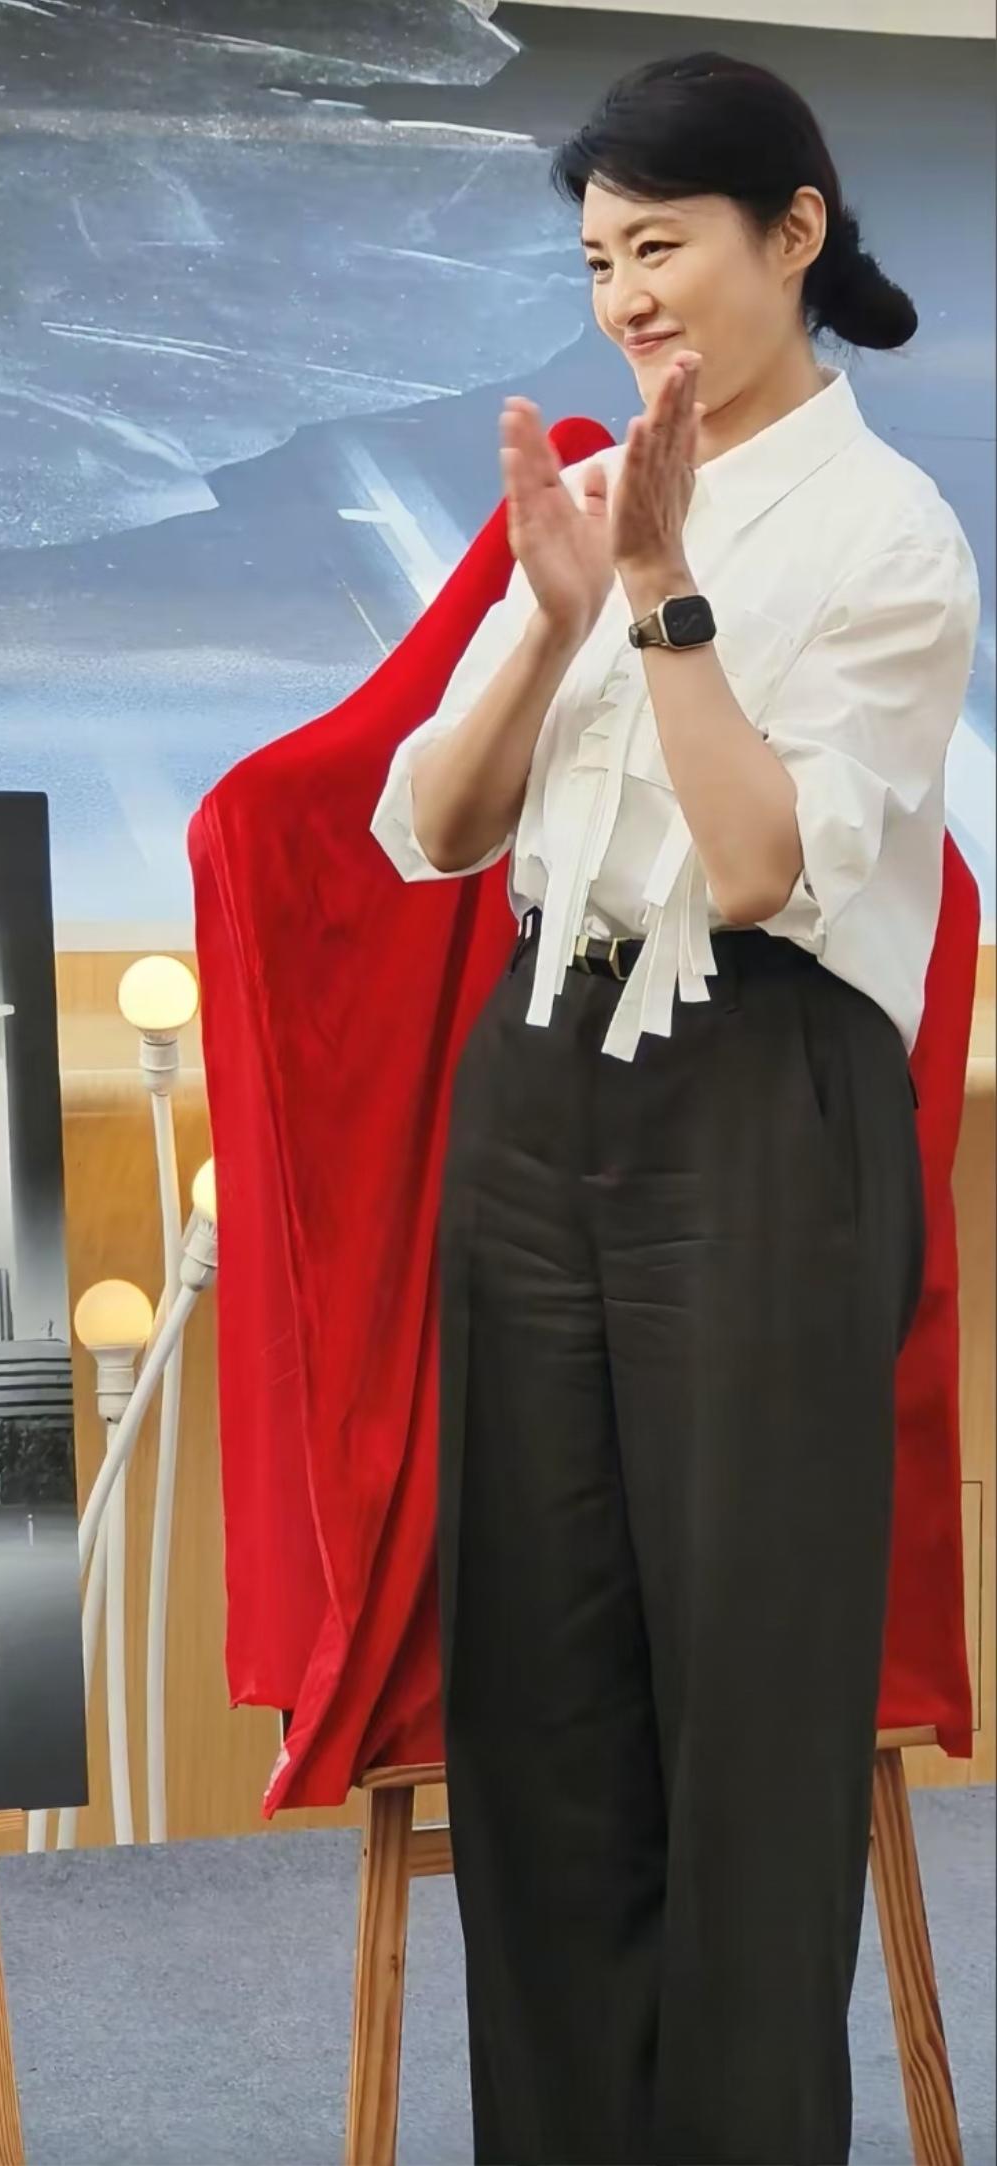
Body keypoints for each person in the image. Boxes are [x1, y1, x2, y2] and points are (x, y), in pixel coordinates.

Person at [371, 50, 978, 2166]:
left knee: (747, 1713)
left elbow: (758, 863)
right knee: (537, 1701)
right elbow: (436, 831)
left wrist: (659, 599)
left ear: (792, 232)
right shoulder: (584, 505)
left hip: (767, 1100)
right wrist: (552, 617)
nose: (625, 294)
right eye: (598, 257)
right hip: (540, 1092)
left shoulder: (894, 533)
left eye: (663, 243)